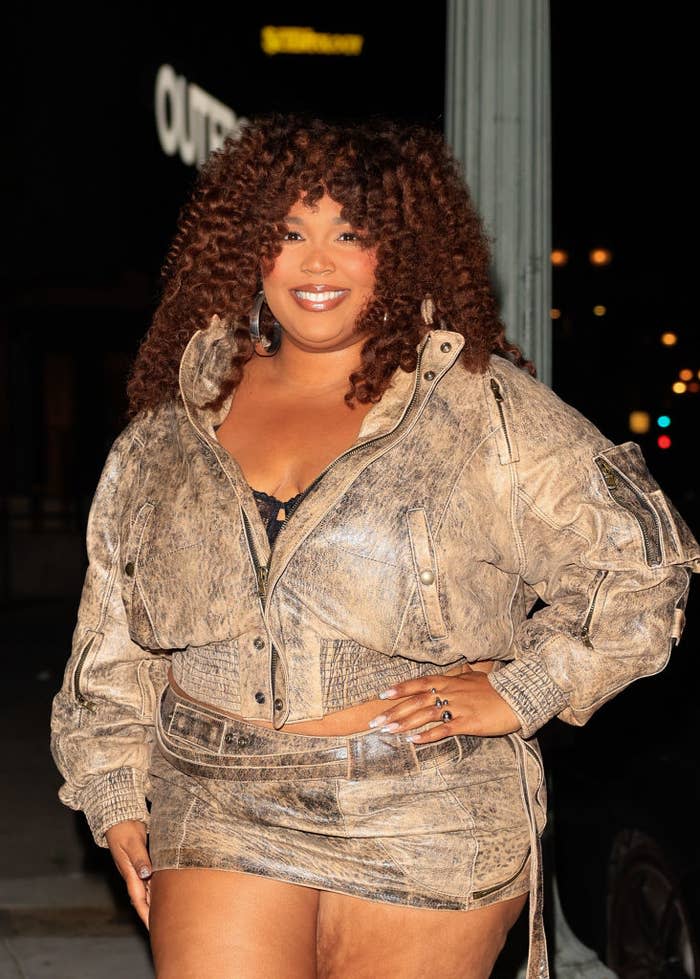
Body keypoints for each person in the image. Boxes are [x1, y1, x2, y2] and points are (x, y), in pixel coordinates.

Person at [50, 113, 699, 979]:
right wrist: (114, 792)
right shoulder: (171, 433)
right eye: (288, 233)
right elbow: (112, 642)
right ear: (248, 247)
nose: (315, 263)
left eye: (349, 234)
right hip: (217, 794)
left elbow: (644, 560)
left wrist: (528, 684)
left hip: (431, 807)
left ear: (397, 247)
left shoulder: (481, 408)